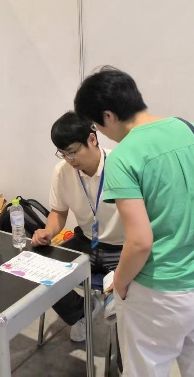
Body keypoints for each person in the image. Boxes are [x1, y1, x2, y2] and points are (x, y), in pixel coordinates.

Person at [73, 67, 194, 377]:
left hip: (160, 294)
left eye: (97, 125)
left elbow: (140, 242)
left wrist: (120, 284)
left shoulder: (124, 157)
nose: (101, 132)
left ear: (108, 116)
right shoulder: (192, 130)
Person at [32, 111, 125, 342]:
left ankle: (121, 325)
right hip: (87, 242)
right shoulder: (62, 171)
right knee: (37, 267)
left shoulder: (121, 165)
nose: (69, 159)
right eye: (63, 153)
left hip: (122, 247)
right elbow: (58, 212)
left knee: (130, 299)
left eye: (73, 152)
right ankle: (82, 310)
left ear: (92, 139)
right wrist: (48, 231)